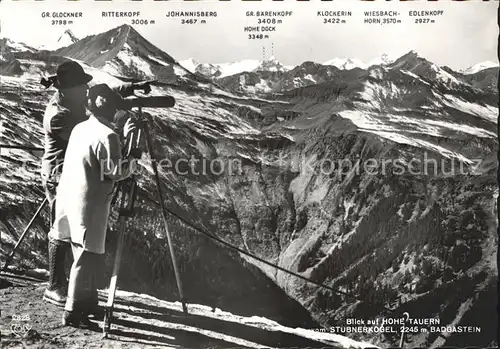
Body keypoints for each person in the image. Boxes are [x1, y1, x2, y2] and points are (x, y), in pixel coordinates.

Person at [41, 60, 152, 307]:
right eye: (81, 86)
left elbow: (98, 96)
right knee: (61, 229)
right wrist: (121, 129)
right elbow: (92, 132)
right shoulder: (60, 116)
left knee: (70, 229)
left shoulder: (73, 100)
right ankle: (55, 285)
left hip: (76, 170)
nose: (85, 90)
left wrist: (130, 88)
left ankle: (77, 289)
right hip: (61, 174)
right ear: (66, 89)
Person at [51, 83, 141, 327]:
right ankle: (73, 311)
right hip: (90, 205)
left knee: (79, 252)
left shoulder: (81, 127)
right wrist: (133, 154)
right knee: (87, 258)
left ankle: (88, 302)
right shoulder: (109, 135)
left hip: (68, 199)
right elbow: (116, 172)